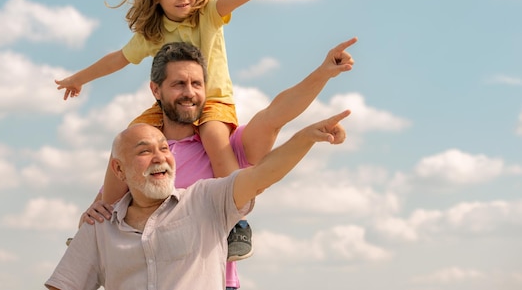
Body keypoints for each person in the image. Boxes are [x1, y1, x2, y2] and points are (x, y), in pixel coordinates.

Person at [54, 0, 293, 260]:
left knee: (213, 137)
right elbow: (118, 59)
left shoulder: (208, 13)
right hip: (170, 102)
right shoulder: (154, 32)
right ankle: (98, 220)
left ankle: (239, 223)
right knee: (128, 138)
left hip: (212, 99)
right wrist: (79, 78)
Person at [69, 38, 357, 289]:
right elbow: (103, 218)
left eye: (197, 84)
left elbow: (274, 116)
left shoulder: (225, 146)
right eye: (178, 84)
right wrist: (93, 211)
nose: (190, 92)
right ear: (155, 90)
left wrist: (322, 74)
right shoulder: (139, 154)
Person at [45, 114, 350, 290]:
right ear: (119, 169)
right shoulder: (99, 226)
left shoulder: (207, 199)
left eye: (164, 148)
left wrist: (306, 137)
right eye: (144, 151)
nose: (160, 157)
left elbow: (263, 175)